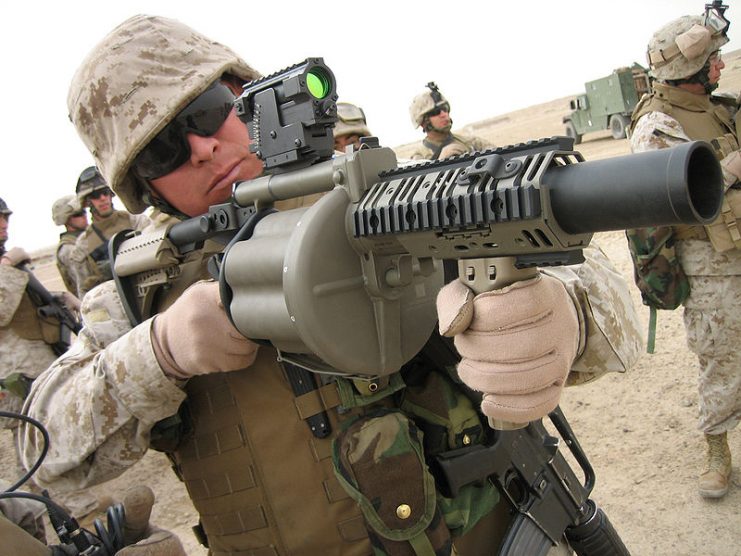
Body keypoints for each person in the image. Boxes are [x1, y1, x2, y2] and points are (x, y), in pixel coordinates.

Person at [20, 15, 642, 555]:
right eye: (162, 153)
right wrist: (157, 354)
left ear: (248, 94)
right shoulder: (141, 292)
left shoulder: (393, 198)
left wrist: (566, 312)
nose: (205, 147)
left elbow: (596, 288)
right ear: (142, 188)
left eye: (208, 112)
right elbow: (45, 455)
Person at [629, 3, 740, 499]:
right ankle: (717, 449)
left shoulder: (720, 108)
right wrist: (733, 166)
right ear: (690, 70)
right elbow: (666, 199)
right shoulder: (656, 124)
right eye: (713, 58)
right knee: (720, 355)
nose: (720, 64)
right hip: (709, 261)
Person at [0, 197, 109, 525]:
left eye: (6, 217)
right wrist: (7, 271)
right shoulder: (6, 266)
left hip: (35, 363)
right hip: (13, 372)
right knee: (31, 438)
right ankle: (67, 512)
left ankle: (58, 510)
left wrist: (63, 301)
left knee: (45, 433)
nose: (4, 223)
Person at [72, 166, 151, 298]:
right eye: (96, 195)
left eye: (105, 192)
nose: (103, 198)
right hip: (114, 301)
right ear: (87, 202)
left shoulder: (136, 221)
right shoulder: (83, 244)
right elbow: (84, 292)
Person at [408, 82, 492, 160]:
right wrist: (441, 163)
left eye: (445, 109)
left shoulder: (473, 143)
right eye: (436, 112)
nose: (444, 114)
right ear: (423, 122)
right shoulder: (418, 157)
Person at [51, 194, 88, 294]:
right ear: (66, 219)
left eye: (84, 211)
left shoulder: (86, 238)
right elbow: (85, 281)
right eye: (78, 214)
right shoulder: (67, 248)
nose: (84, 216)